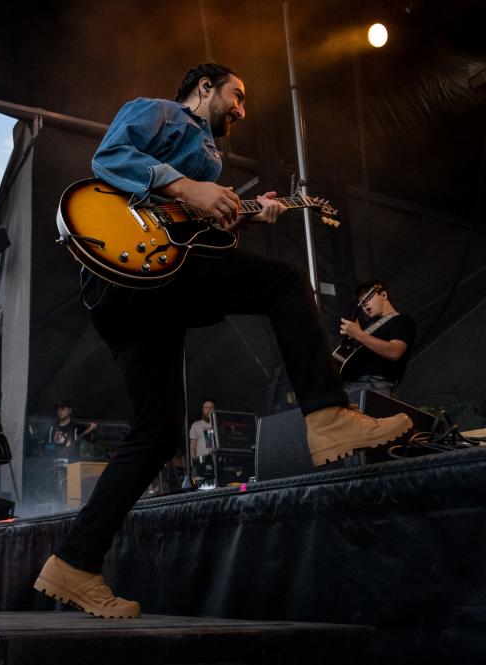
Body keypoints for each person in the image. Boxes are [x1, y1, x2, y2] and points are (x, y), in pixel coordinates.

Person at [34, 63, 412, 619]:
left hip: (146, 289)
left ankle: (72, 564)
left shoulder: (212, 158)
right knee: (284, 284)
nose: (241, 109)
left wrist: (245, 215)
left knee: (159, 433)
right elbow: (109, 158)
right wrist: (189, 187)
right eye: (237, 95)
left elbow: (191, 234)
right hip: (128, 266)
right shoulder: (161, 113)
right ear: (205, 87)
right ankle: (328, 418)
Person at [339, 280, 415, 398]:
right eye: (361, 302)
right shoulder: (365, 327)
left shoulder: (402, 320)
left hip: (376, 384)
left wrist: (359, 334)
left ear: (384, 295)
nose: (364, 305)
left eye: (367, 298)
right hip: (348, 384)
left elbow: (394, 351)